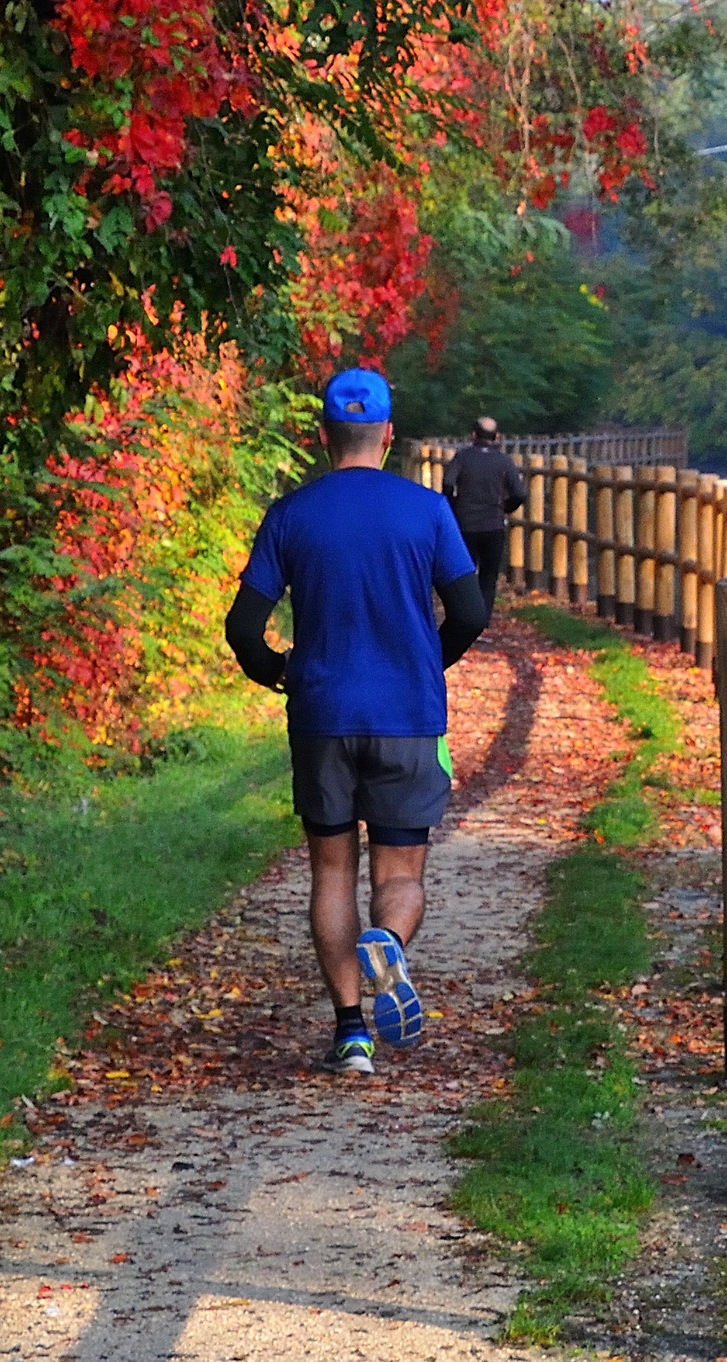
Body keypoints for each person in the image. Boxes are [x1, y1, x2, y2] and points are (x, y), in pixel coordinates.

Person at [224, 368, 490, 1073]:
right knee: (400, 871)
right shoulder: (427, 511)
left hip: (322, 715)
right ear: (388, 434)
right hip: (407, 716)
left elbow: (244, 626)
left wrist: (280, 671)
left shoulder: (291, 514)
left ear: (322, 436)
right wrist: (428, 663)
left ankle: (351, 1033)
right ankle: (391, 946)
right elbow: (470, 612)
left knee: (331, 871)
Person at [439, 416, 528, 609]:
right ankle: (483, 621)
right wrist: (506, 507)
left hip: (465, 524)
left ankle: (464, 616)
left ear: (473, 435)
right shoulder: (504, 461)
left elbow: (447, 483)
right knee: (488, 577)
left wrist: (454, 504)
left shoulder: (463, 457)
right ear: (497, 436)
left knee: (465, 574)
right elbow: (520, 493)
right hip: (493, 525)